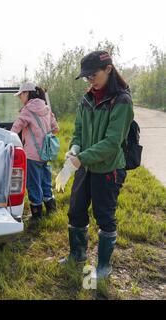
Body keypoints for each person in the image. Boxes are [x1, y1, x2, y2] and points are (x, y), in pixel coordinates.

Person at [60, 51, 134, 280]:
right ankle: (78, 255)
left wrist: (82, 157)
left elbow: (113, 143)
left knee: (104, 216)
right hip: (85, 167)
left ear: (109, 69)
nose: (90, 79)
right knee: (76, 211)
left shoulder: (121, 100)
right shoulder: (86, 99)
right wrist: (74, 148)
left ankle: (103, 266)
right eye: (86, 76)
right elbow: (79, 132)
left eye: (93, 74)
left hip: (109, 169)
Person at [11, 82, 59, 221]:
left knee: (33, 184)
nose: (20, 98)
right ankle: (51, 209)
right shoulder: (46, 108)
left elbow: (16, 128)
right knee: (45, 182)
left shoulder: (27, 110)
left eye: (21, 95)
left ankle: (37, 215)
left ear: (26, 93)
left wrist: (9, 138)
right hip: (46, 153)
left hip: (31, 155)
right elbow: (56, 129)